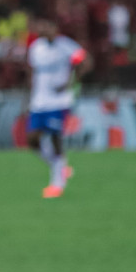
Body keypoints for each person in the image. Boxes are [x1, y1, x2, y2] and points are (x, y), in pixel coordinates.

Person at [25, 17, 91, 198]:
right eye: (41, 25)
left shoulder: (65, 46)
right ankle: (60, 166)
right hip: (39, 101)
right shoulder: (36, 47)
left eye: (47, 25)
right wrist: (29, 96)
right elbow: (32, 73)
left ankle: (57, 184)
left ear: (54, 28)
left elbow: (85, 61)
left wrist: (72, 82)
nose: (43, 29)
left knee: (55, 139)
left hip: (59, 101)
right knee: (32, 140)